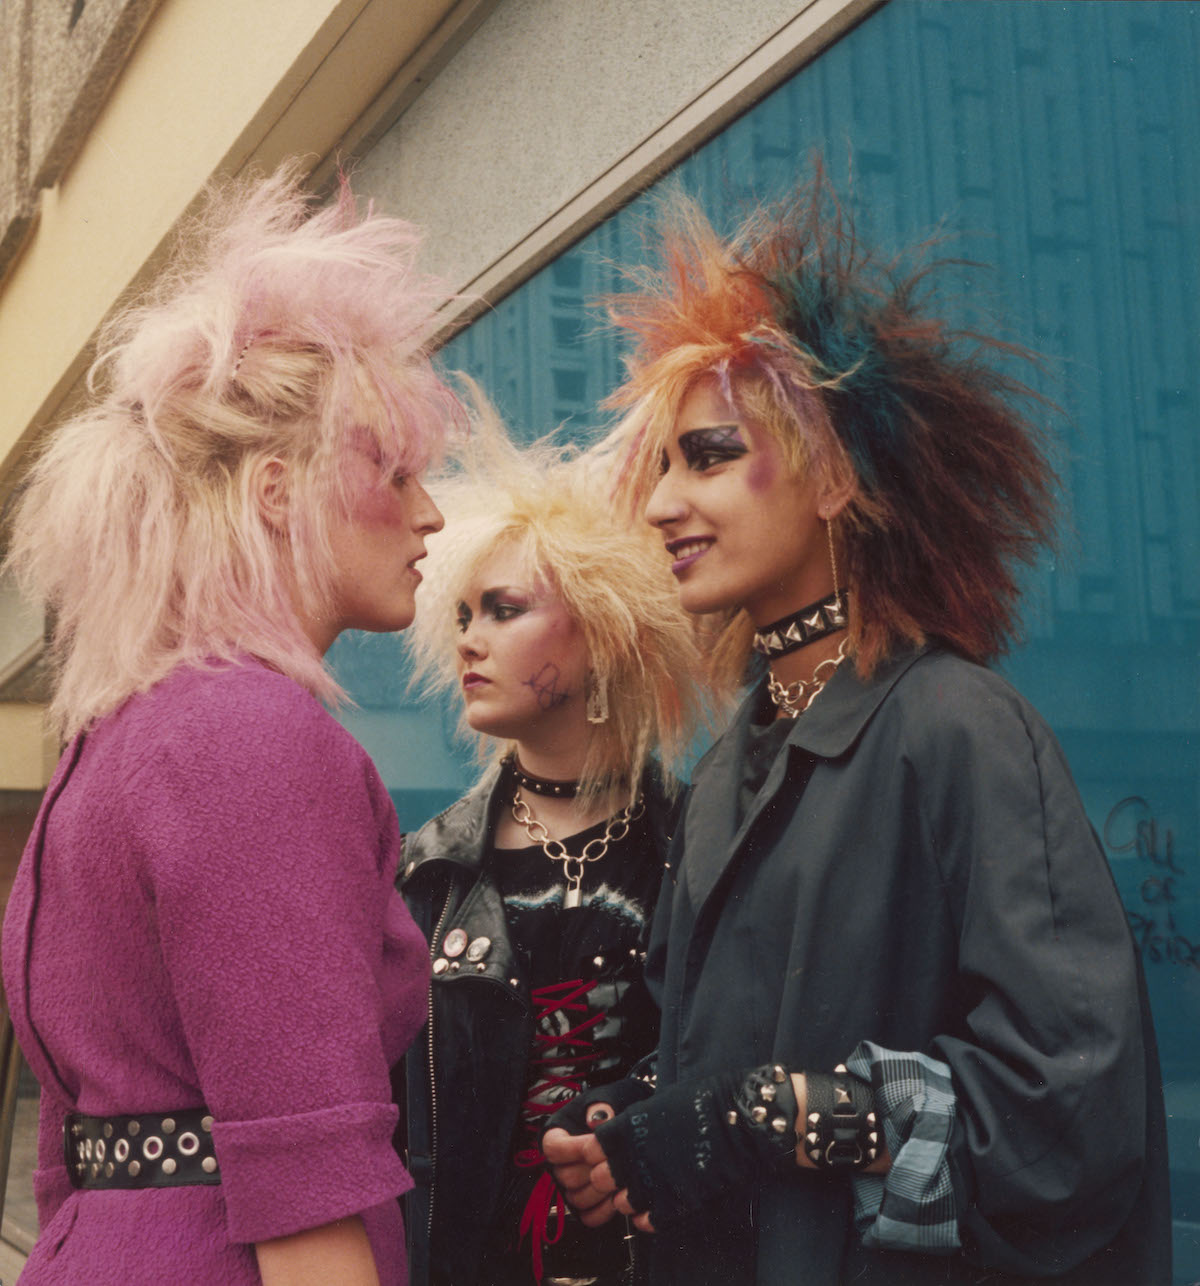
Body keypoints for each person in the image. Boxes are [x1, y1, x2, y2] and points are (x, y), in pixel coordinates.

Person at [544, 174, 1172, 1284]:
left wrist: (778, 1114)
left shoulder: (960, 729)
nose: (658, 505)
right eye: (661, 465)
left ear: (834, 472)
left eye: (710, 455)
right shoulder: (726, 767)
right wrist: (640, 1128)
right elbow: (722, 1061)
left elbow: (1070, 1111)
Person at [1, 166, 460, 1285]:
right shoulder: (249, 739)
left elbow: (64, 1153)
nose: (432, 512)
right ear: (273, 488)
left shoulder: (118, 737)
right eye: (395, 471)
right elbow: (308, 1197)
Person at [398, 413, 705, 1286]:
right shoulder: (432, 869)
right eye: (461, 614)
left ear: (603, 629)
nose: (468, 637)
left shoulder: (699, 844)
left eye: (504, 610)